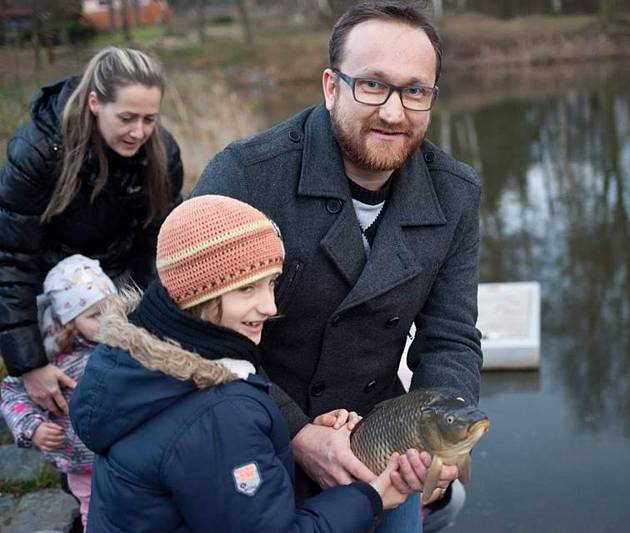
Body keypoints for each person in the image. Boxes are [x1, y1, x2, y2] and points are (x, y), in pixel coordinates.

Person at [192, 1, 482, 530]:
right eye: (372, 85)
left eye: (415, 90)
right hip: (253, 424)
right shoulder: (246, 176)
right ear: (331, 87)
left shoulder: (455, 194)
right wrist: (299, 434)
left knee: (446, 501)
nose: (394, 113)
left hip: (379, 437)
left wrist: (443, 445)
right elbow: (197, 336)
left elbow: (450, 337)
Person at [69, 195, 406, 532]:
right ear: (196, 294)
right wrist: (369, 496)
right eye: (247, 288)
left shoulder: (138, 367)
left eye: (272, 283)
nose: (270, 306)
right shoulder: (219, 414)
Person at [0, 46, 184, 419]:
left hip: (124, 284)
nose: (139, 132)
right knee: (62, 409)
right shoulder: (36, 152)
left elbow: (159, 245)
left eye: (150, 119)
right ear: (95, 102)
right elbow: (11, 259)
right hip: (52, 293)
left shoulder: (162, 152)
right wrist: (29, 364)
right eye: (127, 118)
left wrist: (149, 324)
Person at [1, 254, 117, 528]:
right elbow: (11, 393)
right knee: (93, 514)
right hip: (80, 464)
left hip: (122, 456)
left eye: (112, 309)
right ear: (68, 321)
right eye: (95, 315)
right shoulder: (51, 359)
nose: (108, 320)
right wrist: (32, 427)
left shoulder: (124, 345)